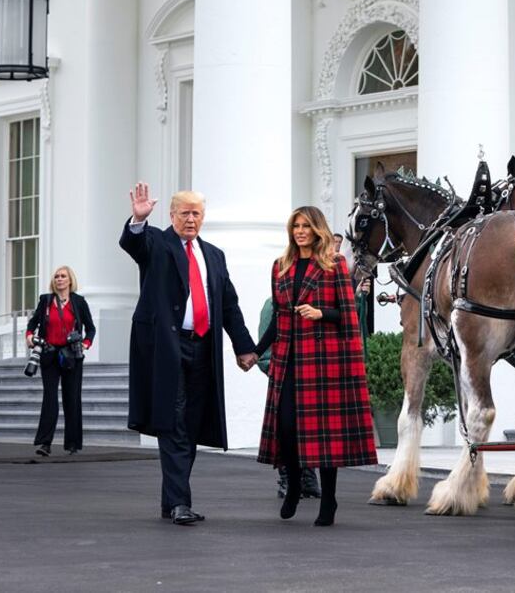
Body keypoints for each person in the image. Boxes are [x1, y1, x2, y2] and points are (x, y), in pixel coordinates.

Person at [119, 184, 258, 526]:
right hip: (167, 347)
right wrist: (138, 221)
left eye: (197, 213)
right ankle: (181, 501)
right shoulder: (157, 244)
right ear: (172, 215)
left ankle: (171, 500)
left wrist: (244, 347)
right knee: (174, 420)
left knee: (191, 422)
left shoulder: (213, 254)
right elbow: (134, 243)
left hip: (203, 346)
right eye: (185, 213)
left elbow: (228, 304)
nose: (191, 219)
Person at [253, 206, 377, 527]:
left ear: (317, 229)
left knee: (325, 434)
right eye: (295, 225)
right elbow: (280, 317)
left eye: (306, 225)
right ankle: (294, 485)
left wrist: (321, 313)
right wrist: (254, 351)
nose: (300, 231)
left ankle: (330, 500)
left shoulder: (334, 265)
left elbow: (347, 315)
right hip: (288, 359)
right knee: (287, 428)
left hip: (323, 361)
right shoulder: (280, 267)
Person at [256, 296, 321, 501]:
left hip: (308, 375)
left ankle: (308, 477)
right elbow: (266, 348)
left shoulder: (313, 304)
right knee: (286, 429)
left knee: (310, 429)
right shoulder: (272, 304)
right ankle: (287, 478)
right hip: (285, 374)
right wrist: (273, 369)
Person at [25, 266, 95, 456]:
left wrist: (86, 344)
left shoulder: (79, 302)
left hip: (72, 355)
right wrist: (30, 336)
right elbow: (32, 324)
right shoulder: (46, 301)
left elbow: (90, 328)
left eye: (63, 276)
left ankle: (73, 444)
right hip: (49, 354)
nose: (59, 279)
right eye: (56, 276)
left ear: (70, 280)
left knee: (72, 398)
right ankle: (45, 443)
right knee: (50, 398)